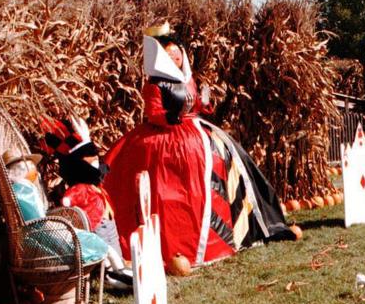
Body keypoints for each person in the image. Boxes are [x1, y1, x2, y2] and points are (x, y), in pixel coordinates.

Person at [105, 22, 295, 266]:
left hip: (196, 133)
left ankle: (247, 224)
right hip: (166, 140)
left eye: (177, 55)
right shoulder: (155, 85)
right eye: (170, 56)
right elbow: (153, 113)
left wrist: (205, 104)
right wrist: (168, 118)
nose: (175, 59)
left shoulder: (188, 80)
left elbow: (195, 107)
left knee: (233, 160)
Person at [4, 149, 125, 278]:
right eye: (32, 169)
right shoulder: (23, 190)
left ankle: (115, 272)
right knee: (96, 243)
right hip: (43, 237)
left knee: (95, 242)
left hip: (42, 234)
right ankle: (119, 274)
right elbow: (37, 219)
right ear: (23, 170)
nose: (36, 173)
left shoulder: (19, 189)